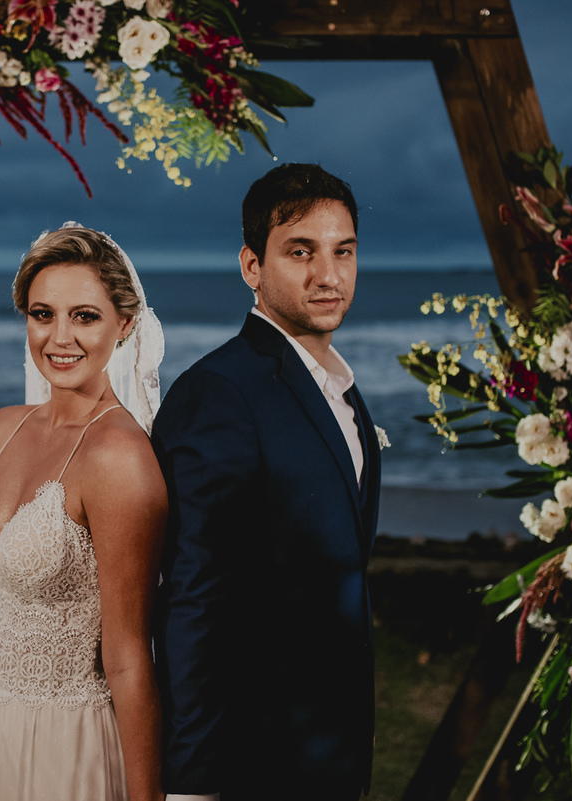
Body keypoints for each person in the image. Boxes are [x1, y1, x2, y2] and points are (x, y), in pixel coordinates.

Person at [0, 224, 168, 801]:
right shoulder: (1, 429)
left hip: (66, 741)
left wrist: (146, 797)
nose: (59, 337)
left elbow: (129, 655)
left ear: (124, 325)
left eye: (85, 316)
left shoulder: (119, 458)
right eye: (42, 314)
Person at [152, 164, 382, 801]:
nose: (328, 275)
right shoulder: (220, 393)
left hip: (330, 748)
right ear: (252, 266)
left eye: (344, 252)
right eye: (300, 251)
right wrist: (191, 783)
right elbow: (193, 596)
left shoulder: (339, 387)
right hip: (255, 756)